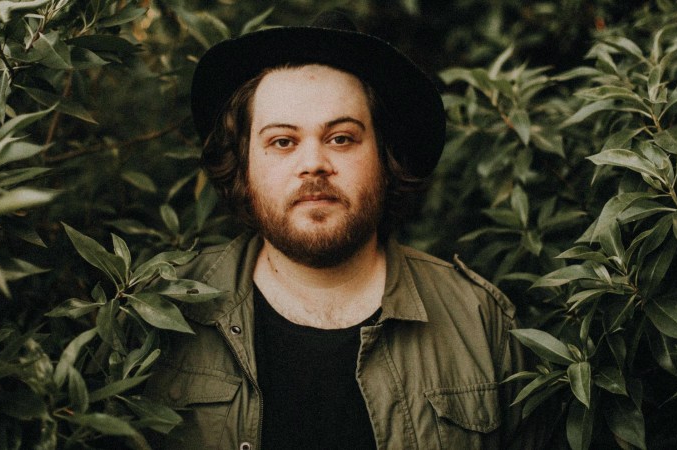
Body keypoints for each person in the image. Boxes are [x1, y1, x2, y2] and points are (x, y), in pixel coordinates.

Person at [145, 11, 538, 450]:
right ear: (245, 165)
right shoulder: (160, 312)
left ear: (384, 158)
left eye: (341, 138)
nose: (313, 163)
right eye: (283, 141)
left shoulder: (479, 321)